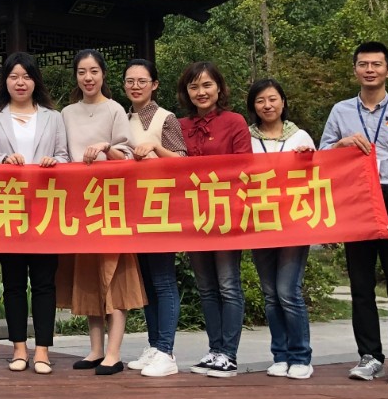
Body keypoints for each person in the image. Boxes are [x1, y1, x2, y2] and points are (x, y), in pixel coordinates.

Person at [321, 42, 388, 386]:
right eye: (363, 64)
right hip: (355, 198)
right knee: (361, 283)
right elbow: (322, 154)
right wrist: (342, 144)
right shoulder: (340, 111)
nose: (370, 70)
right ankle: (369, 355)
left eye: (376, 64)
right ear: (355, 70)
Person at [0, 52, 68, 374]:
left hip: (45, 208)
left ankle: (42, 350)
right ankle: (18, 348)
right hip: (8, 207)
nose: (20, 83)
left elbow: (64, 157)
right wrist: (2, 159)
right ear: (5, 81)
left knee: (44, 282)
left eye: (26, 77)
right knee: (14, 282)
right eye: (14, 76)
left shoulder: (52, 117)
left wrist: (54, 162)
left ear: (35, 81)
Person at [56, 49, 141, 375]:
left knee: (114, 273)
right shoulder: (66, 113)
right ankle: (95, 349)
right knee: (89, 274)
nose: (88, 78)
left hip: (111, 201)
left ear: (103, 74)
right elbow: (62, 154)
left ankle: (114, 352)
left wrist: (106, 148)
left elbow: (129, 155)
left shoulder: (115, 109)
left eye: (93, 71)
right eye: (82, 72)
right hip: (79, 202)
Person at [177, 60, 252, 379]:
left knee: (228, 284)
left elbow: (245, 167)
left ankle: (228, 354)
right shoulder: (179, 125)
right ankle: (214, 349)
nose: (201, 92)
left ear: (219, 88)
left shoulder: (235, 122)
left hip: (225, 215)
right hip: (193, 217)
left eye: (207, 85)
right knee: (206, 287)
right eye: (194, 86)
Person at [246, 78, 318, 380]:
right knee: (270, 294)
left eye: (273, 99)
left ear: (283, 102)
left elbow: (317, 176)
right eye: (260, 100)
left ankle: (301, 356)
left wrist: (308, 158)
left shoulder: (300, 136)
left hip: (293, 224)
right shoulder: (246, 138)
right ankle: (280, 355)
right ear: (253, 106)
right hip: (259, 223)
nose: (267, 105)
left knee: (288, 291)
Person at [121, 57, 187, 380]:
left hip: (162, 209)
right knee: (146, 281)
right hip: (133, 209)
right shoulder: (122, 118)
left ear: (155, 85)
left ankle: (167, 350)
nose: (135, 86)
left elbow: (183, 161)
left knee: (163, 279)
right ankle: (153, 345)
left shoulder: (166, 118)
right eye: (130, 81)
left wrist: (156, 149)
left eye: (142, 81)